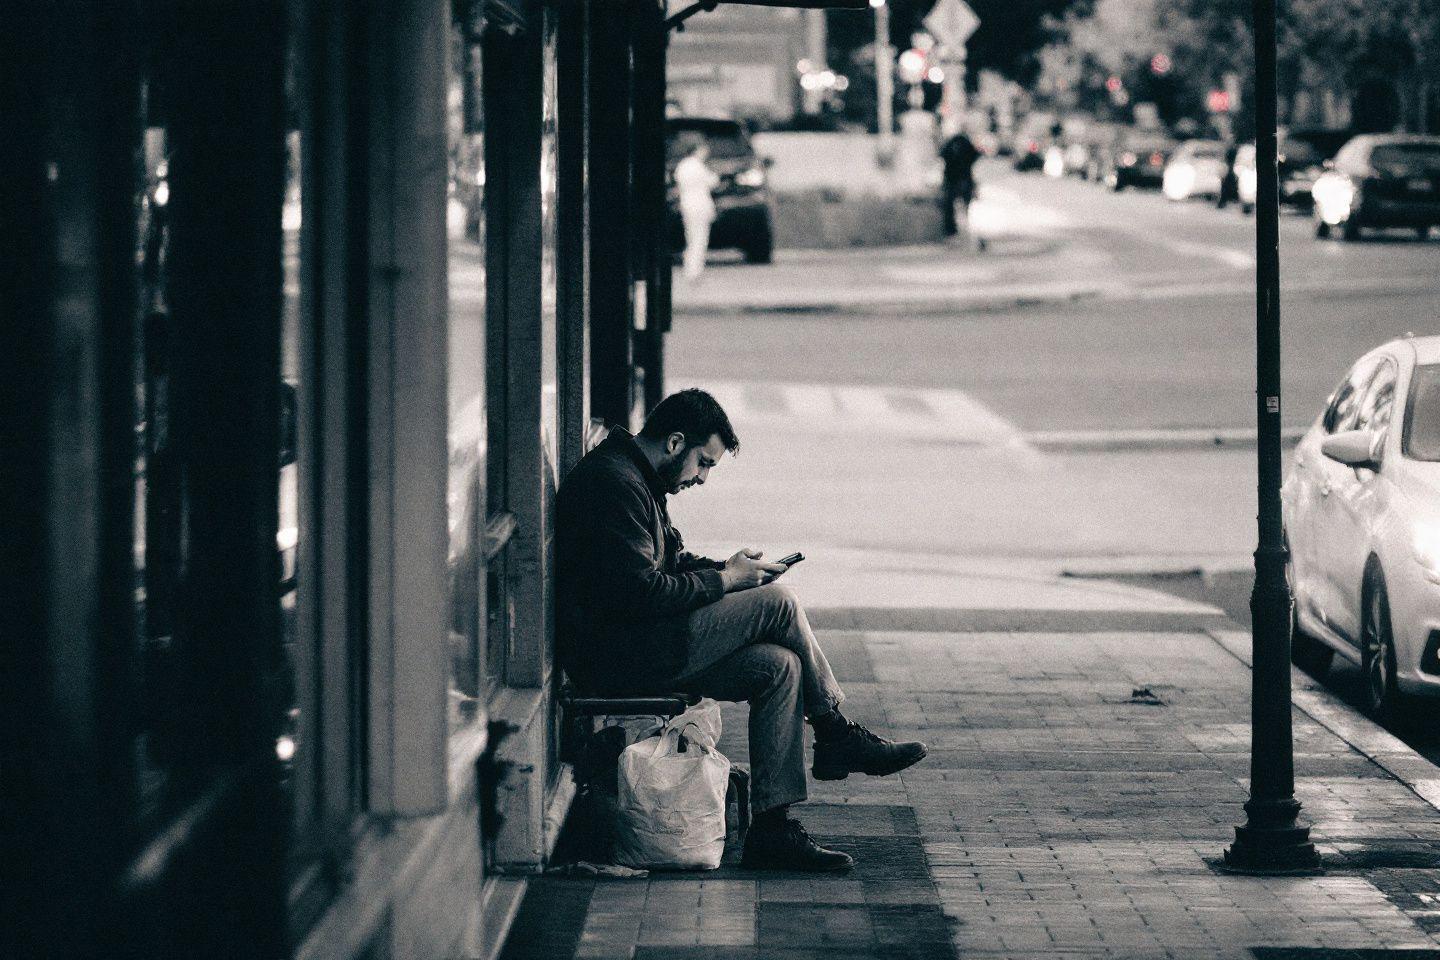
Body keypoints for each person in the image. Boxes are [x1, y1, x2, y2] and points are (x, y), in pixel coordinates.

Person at [556, 390, 927, 872]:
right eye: (703, 463)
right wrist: (728, 582)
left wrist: (727, 569)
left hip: (646, 642)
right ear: (675, 442)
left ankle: (772, 829)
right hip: (622, 654)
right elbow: (640, 594)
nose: (702, 478)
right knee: (779, 602)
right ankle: (835, 731)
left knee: (780, 666)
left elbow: (668, 565)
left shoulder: (638, 477)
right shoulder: (614, 483)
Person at [673, 138, 719, 283]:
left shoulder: (682, 166)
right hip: (700, 205)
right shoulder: (699, 166)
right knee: (700, 238)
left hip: (687, 204)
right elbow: (713, 181)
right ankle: (695, 270)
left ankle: (690, 268)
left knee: (691, 237)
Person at [938, 128, 981, 242]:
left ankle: (953, 230)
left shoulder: (950, 145)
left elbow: (942, 155)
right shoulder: (965, 143)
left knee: (951, 205)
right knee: (962, 205)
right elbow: (975, 156)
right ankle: (961, 229)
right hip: (962, 178)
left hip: (954, 179)